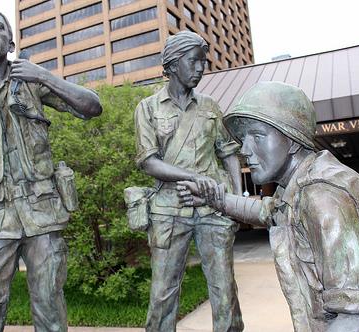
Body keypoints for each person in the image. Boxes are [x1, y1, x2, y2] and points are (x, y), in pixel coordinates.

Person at [177, 81, 359, 332]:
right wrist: (214, 199)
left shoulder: (323, 197)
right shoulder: (295, 188)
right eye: (244, 138)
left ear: (293, 141)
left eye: (257, 136)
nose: (245, 149)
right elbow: (267, 212)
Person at [0, 9, 102, 332]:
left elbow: (92, 107)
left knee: (51, 310)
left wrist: (44, 76)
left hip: (42, 215)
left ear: (11, 42)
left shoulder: (31, 81)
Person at [134, 31, 244, 332]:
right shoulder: (148, 108)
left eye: (203, 62)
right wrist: (193, 177)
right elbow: (148, 160)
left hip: (213, 208)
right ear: (172, 64)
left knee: (225, 290)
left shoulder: (210, 106)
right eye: (193, 61)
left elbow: (229, 153)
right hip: (169, 211)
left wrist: (234, 201)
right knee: (162, 293)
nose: (200, 68)